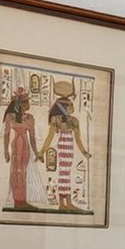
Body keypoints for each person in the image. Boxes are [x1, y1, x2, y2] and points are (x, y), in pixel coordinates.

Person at [45, 79, 92, 213]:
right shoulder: (59, 120)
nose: (73, 108)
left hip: (67, 147)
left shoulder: (72, 121)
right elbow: (49, 137)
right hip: (64, 147)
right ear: (66, 107)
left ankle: (66, 202)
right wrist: (42, 152)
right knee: (64, 174)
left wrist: (84, 153)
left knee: (65, 174)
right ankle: (65, 202)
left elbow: (78, 139)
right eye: (71, 106)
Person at [1, 85, 41, 210]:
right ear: (20, 104)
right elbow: (6, 134)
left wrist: (37, 152)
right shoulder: (10, 117)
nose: (27, 104)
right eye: (25, 102)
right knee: (15, 171)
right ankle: (17, 201)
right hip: (16, 145)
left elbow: (33, 138)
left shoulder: (30, 118)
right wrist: (5, 151)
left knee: (22, 172)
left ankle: (21, 201)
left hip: (25, 146)